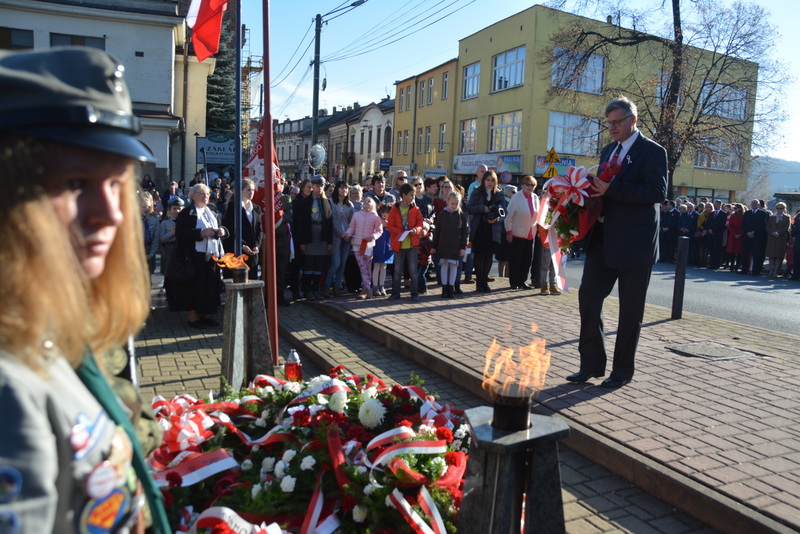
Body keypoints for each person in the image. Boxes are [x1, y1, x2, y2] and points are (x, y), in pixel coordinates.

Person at [0, 46, 170, 533]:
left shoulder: (47, 330)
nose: (111, 213)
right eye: (75, 183)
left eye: (116, 185)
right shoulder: (9, 383)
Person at [567, 96, 667, 389]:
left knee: (630, 312)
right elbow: (602, 191)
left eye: (616, 122)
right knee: (588, 298)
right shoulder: (608, 150)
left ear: (632, 120)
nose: (611, 128)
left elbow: (657, 192)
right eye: (608, 123)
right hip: (602, 239)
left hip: (635, 244)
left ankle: (622, 371)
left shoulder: (653, 151)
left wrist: (613, 189)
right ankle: (590, 365)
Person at [173, 183, 228, 329]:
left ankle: (206, 314)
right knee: (194, 286)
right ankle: (193, 318)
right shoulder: (187, 213)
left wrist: (222, 231)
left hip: (211, 255)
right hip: (193, 256)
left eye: (207, 194)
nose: (206, 196)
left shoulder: (212, 212)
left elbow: (220, 228)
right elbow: (180, 234)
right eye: (202, 194)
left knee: (209, 285)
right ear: (193, 196)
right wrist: (201, 233)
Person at [294, 175, 333, 299]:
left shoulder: (326, 202)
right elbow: (301, 223)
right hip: (309, 235)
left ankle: (315, 289)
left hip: (321, 236)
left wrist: (329, 241)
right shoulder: (306, 202)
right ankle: (307, 290)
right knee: (309, 265)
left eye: (321, 186)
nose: (319, 188)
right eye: (317, 186)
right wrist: (302, 241)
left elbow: (329, 223)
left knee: (318, 265)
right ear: (313, 187)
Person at [467, 170, 505, 293]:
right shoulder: (477, 192)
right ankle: (479, 282)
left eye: (492, 180)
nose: (490, 183)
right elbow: (469, 208)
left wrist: (496, 219)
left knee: (489, 255)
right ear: (483, 181)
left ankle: (485, 281)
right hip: (479, 228)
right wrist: (482, 209)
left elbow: (504, 213)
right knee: (478, 255)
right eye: (488, 180)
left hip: (492, 229)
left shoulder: (499, 194)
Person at [387, 183, 423, 301]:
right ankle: (396, 292)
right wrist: (401, 232)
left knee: (413, 270)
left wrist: (416, 230)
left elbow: (420, 224)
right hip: (399, 244)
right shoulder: (394, 209)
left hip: (412, 244)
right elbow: (390, 226)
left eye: (414, 195)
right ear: (404, 195)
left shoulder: (415, 209)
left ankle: (414, 293)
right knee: (397, 270)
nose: (413, 197)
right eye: (411, 195)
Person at [222, 178, 263, 276]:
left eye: (253, 190)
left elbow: (259, 229)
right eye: (248, 190)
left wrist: (256, 245)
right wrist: (241, 245)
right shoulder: (232, 207)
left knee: (252, 280)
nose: (251, 192)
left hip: (251, 253)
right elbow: (229, 229)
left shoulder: (256, 208)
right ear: (240, 191)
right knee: (236, 279)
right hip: (235, 252)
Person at [344, 196, 383, 299]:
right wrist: (347, 233)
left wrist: (373, 237)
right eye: (365, 200)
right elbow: (351, 227)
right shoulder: (356, 215)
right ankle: (368, 289)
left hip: (368, 245)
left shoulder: (376, 217)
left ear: (373, 204)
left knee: (368, 268)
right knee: (362, 268)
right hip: (357, 245)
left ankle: (366, 289)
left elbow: (380, 231)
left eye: (369, 201)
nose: (366, 202)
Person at [431, 191, 469, 298]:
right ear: (447, 201)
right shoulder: (442, 214)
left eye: (456, 204)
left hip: (455, 246)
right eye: (452, 203)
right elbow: (437, 231)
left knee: (453, 267)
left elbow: (465, 232)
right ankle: (444, 288)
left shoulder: (461, 215)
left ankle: (451, 288)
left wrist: (463, 247)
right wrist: (434, 246)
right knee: (444, 266)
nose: (454, 206)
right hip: (443, 245)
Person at [504, 176, 539, 290]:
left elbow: (537, 215)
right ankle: (514, 282)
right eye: (527, 184)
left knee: (527, 260)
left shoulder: (535, 197)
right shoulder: (516, 197)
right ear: (522, 185)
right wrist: (509, 231)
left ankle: (522, 281)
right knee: (516, 260)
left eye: (532, 185)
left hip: (530, 234)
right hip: (517, 233)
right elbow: (508, 217)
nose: (529, 187)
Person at [325, 180, 355, 296]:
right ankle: (327, 285)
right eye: (342, 188)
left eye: (346, 188)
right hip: (335, 237)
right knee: (336, 263)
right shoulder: (331, 202)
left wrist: (348, 234)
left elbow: (352, 222)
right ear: (337, 189)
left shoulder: (350, 205)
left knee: (343, 263)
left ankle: (337, 286)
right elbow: (333, 221)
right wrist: (342, 234)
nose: (344, 190)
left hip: (347, 238)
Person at [160, 196, 184, 308]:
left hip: (182, 249)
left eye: (179, 208)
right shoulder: (165, 223)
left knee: (180, 274)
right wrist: (173, 233)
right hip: (170, 249)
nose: (177, 211)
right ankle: (170, 299)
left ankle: (180, 298)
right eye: (174, 208)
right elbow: (161, 239)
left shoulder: (185, 222)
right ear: (170, 210)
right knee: (169, 274)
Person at [742, 199, 769, 275]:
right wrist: (747, 232)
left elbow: (763, 225)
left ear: (758, 205)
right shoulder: (747, 213)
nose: (753, 205)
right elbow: (744, 224)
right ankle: (744, 269)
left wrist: (754, 232)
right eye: (752, 203)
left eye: (755, 203)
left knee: (757, 254)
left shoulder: (763, 213)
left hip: (757, 237)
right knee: (746, 253)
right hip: (747, 236)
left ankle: (755, 271)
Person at [372, 204, 394, 296]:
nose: (386, 215)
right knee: (377, 266)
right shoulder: (378, 219)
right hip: (378, 245)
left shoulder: (392, 222)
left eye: (388, 213)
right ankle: (375, 287)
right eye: (384, 213)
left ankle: (381, 286)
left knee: (384, 266)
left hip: (388, 245)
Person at [765, 202, 791, 277]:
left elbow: (786, 227)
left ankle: (775, 271)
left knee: (778, 256)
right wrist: (772, 232)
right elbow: (767, 227)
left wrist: (778, 233)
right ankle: (770, 271)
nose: (779, 210)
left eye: (781, 208)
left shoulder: (787, 217)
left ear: (784, 209)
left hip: (781, 238)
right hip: (772, 238)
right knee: (771, 255)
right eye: (778, 208)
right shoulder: (772, 217)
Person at [141, 191, 160, 274]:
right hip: (138, 249)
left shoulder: (154, 219)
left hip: (150, 249)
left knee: (148, 274)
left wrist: (151, 253)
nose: (147, 209)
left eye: (149, 206)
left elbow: (156, 238)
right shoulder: (133, 219)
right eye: (143, 206)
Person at [725, 203, 745, 272]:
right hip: (733, 235)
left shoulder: (743, 217)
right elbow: (730, 226)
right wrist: (734, 234)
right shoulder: (733, 216)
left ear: (740, 209)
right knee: (732, 251)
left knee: (739, 252)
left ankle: (737, 266)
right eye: (734, 208)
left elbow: (744, 226)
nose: (734, 210)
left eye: (736, 208)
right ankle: (731, 266)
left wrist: (740, 234)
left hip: (740, 236)